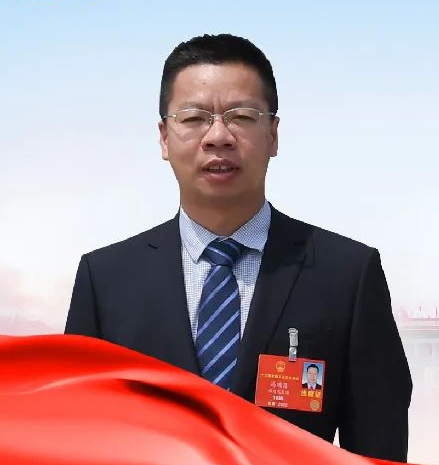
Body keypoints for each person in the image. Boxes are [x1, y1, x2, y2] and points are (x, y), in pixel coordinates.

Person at [65, 34, 412, 462]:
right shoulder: (106, 280)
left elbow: (379, 445)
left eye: (242, 116)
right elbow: (78, 437)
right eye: (194, 118)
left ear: (273, 135)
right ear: (164, 138)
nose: (218, 136)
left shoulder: (347, 275)